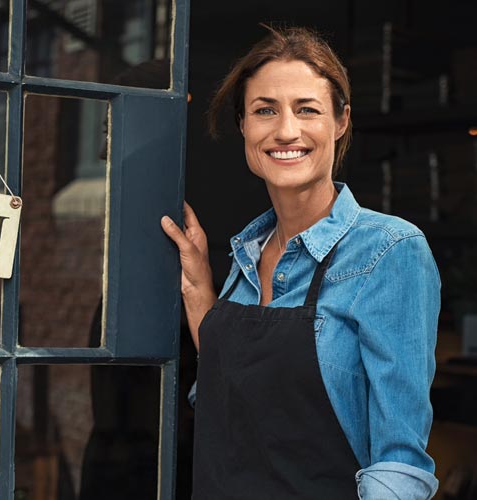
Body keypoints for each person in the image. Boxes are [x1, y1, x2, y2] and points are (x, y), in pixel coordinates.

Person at [161, 26, 440, 499]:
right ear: (244, 126)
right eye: (264, 110)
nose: (285, 130)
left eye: (307, 109)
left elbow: (400, 463)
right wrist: (200, 290)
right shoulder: (244, 257)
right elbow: (235, 406)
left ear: (341, 121)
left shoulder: (389, 251)